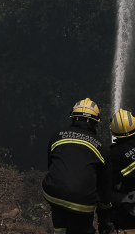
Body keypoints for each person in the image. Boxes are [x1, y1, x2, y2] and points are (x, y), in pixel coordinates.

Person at [43, 98, 112, 234]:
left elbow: (51, 166)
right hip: (82, 201)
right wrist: (105, 223)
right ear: (96, 122)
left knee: (60, 225)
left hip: (53, 193)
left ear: (72, 118)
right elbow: (104, 187)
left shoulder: (57, 136)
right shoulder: (102, 148)